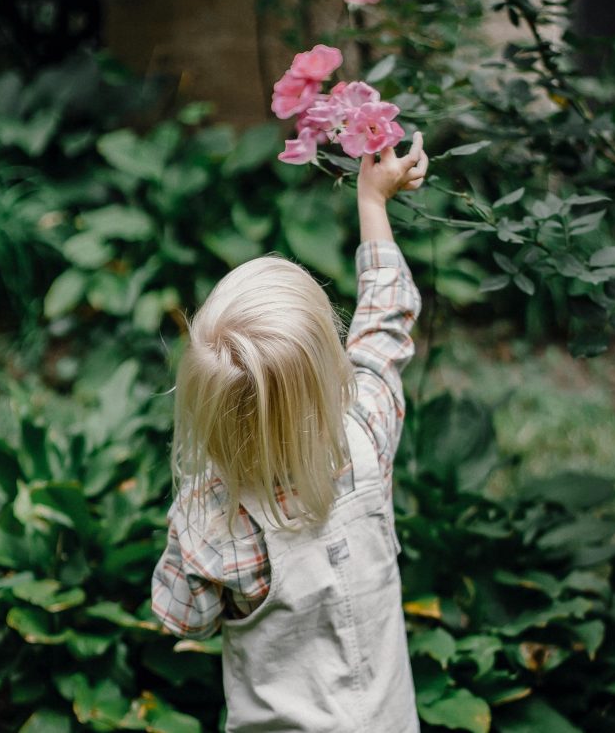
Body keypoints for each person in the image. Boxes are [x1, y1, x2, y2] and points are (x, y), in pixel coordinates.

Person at [151, 131, 430, 733]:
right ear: (329, 368)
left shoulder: (211, 521)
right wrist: (373, 202)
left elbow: (183, 618)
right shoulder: (366, 432)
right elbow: (385, 325)